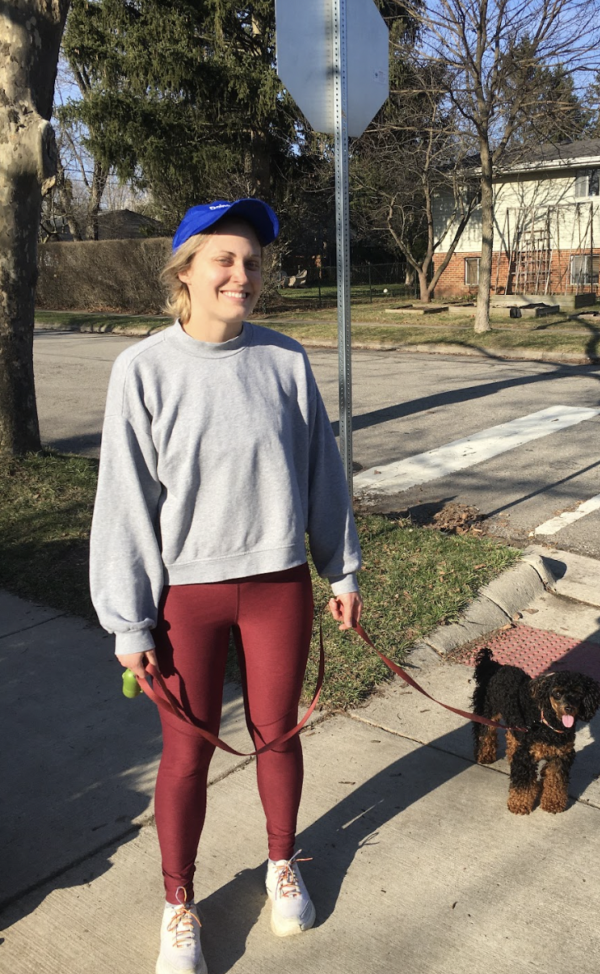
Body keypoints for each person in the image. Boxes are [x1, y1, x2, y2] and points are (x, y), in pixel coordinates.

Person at [89, 198, 362, 974]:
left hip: (277, 584)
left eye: (251, 261)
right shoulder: (141, 370)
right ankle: (180, 906)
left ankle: (283, 864)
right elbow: (125, 505)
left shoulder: (283, 363)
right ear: (185, 271)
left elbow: (322, 476)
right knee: (185, 755)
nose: (243, 275)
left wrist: (340, 568)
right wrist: (130, 624)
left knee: (279, 732)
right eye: (225, 260)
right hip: (187, 601)